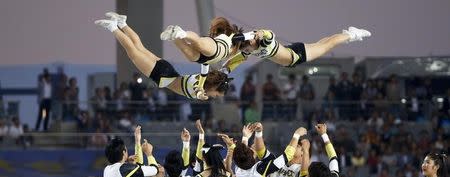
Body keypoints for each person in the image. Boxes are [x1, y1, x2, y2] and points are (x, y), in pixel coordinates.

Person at [95, 13, 232, 101]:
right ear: (214, 88)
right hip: (162, 76)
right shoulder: (200, 88)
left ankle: (122, 23)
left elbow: (205, 65)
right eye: (217, 95)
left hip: (167, 69)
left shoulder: (202, 78)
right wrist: (199, 96)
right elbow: (198, 92)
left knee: (139, 48)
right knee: (133, 52)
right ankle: (113, 27)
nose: (214, 97)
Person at [160, 17, 252, 97]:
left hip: (204, 60)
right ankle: (180, 32)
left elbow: (205, 73)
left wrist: (200, 87)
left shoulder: (231, 55)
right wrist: (256, 35)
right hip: (216, 50)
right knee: (199, 43)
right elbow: (249, 36)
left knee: (188, 52)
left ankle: (173, 34)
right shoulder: (232, 38)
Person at [223, 27, 371, 73]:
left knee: (328, 45)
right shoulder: (249, 49)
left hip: (297, 55)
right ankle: (348, 33)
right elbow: (237, 59)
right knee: (323, 43)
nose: (248, 50)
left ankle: (352, 34)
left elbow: (271, 34)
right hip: (291, 51)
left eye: (248, 46)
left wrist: (262, 33)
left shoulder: (264, 43)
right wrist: (226, 69)